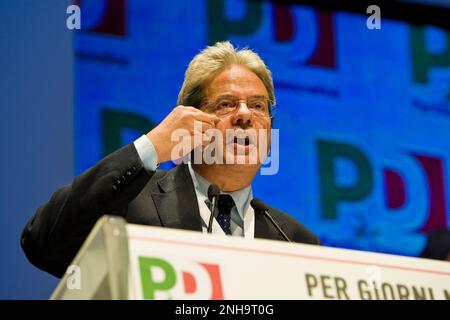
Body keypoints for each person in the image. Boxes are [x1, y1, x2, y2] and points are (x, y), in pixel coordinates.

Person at [21, 41, 320, 278]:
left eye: (258, 105)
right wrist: (152, 147)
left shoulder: (297, 242)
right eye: (226, 104)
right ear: (189, 121)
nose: (245, 115)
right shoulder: (129, 203)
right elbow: (44, 243)